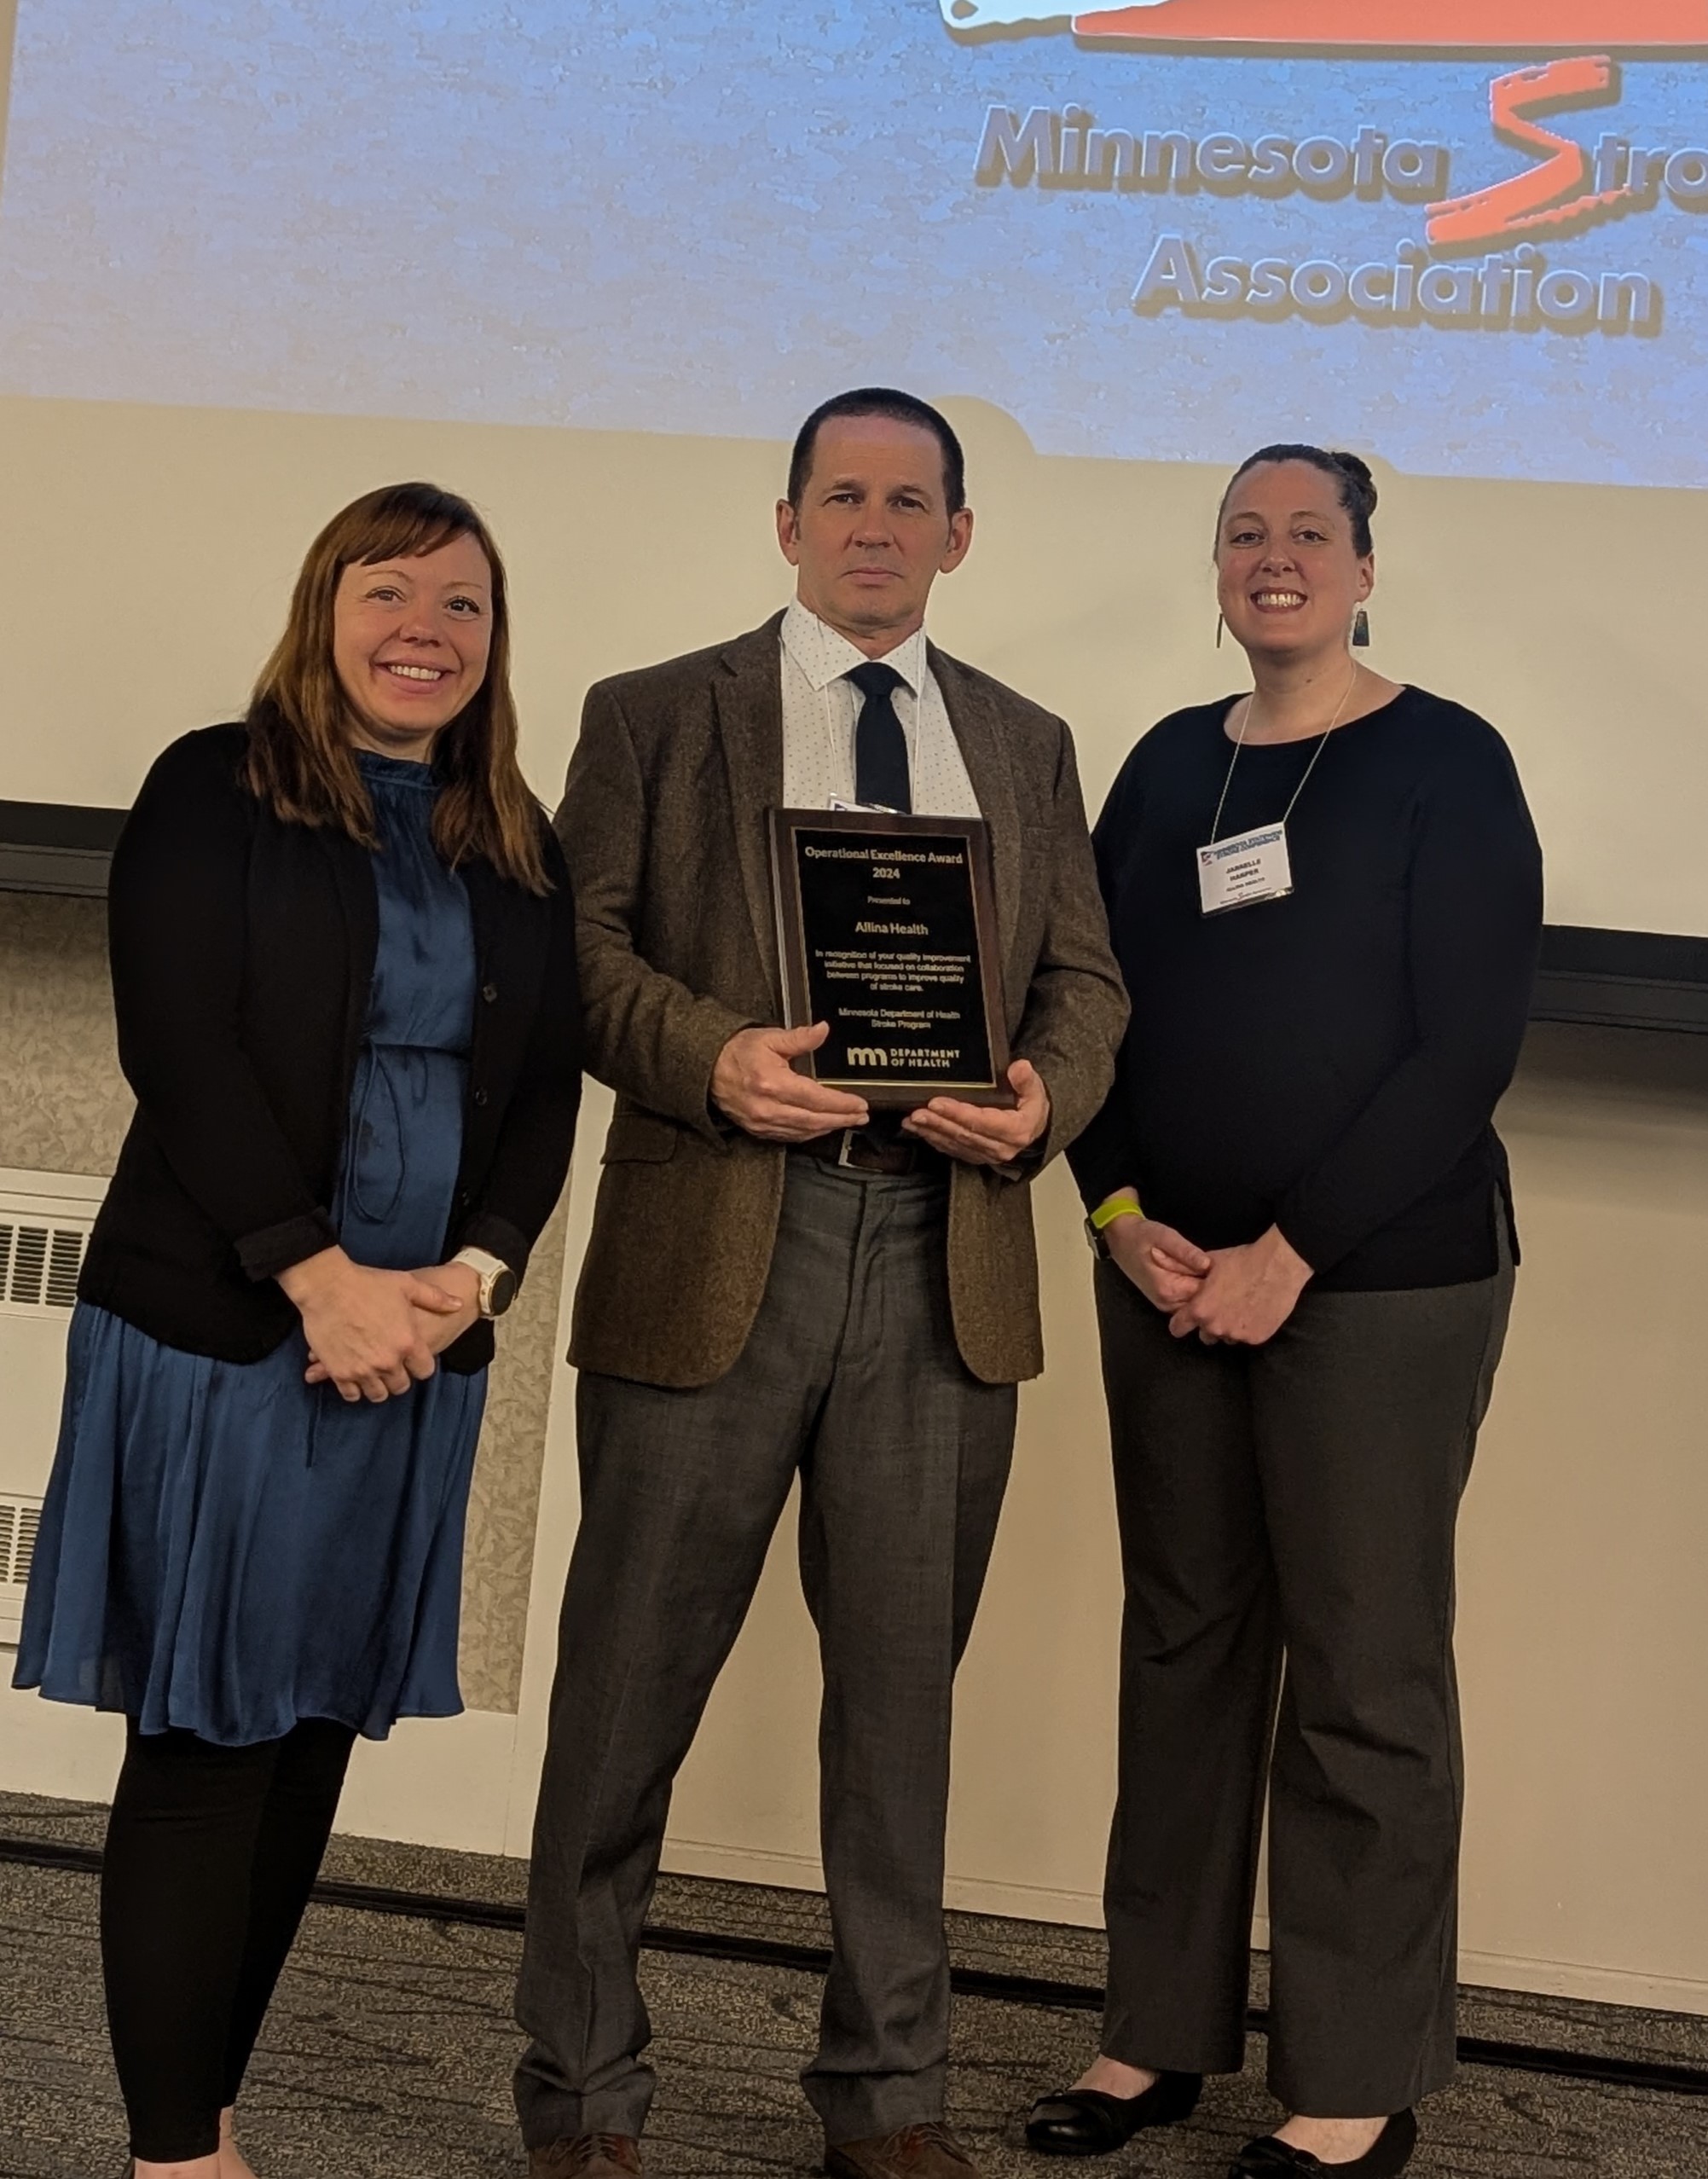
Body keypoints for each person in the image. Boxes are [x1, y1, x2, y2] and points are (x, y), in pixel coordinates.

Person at [514, 388, 1128, 2179]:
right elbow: (580, 950)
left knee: (900, 1720)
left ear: (959, 536)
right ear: (784, 523)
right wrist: (711, 1060)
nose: (875, 524)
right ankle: (583, 2097)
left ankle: (888, 2097)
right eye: (841, 495)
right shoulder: (653, 713)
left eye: (910, 499)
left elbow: (1086, 988)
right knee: (626, 1695)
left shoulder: (1025, 741)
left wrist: (1038, 1100)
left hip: (945, 1262)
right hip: (723, 1233)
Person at [14, 482, 582, 2179]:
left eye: (464, 604)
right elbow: (178, 1045)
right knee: (209, 1737)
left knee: (311, 1733)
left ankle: (213, 2103)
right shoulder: (220, 783)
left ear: (495, 641)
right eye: (389, 591)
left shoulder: (515, 834)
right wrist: (317, 1277)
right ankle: (174, 2151)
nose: (426, 631)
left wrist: (470, 1278)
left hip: (415, 1351)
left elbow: (545, 1088)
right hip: (226, 1333)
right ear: (322, 607)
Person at [1029, 447, 1543, 2179]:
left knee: (1363, 1672)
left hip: (1381, 1283)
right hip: (1162, 1276)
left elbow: (1460, 1050)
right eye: (1245, 534)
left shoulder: (1445, 764)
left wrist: (1290, 1249)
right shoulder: (1172, 764)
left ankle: (1354, 2075)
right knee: (1181, 1648)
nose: (1273, 560)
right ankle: (1149, 2036)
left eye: (1307, 535)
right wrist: (1111, 1209)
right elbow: (1076, 1001)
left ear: (1366, 566)